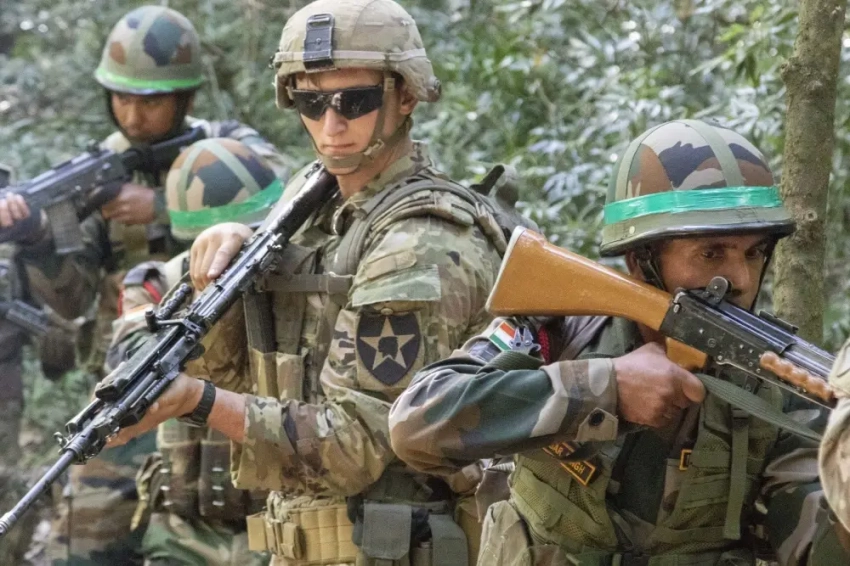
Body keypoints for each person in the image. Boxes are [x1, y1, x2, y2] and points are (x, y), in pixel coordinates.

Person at [107, 0, 518, 564]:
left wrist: (197, 402)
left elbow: (354, 446)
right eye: (311, 102)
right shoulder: (314, 206)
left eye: (356, 100)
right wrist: (224, 272)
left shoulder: (420, 243)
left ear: (406, 94)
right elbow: (244, 373)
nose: (331, 126)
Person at [388, 119, 850, 565]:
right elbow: (415, 425)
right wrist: (603, 388)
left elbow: (817, 543)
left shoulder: (775, 391)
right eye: (711, 253)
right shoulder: (558, 331)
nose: (741, 278)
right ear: (639, 260)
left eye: (754, 252)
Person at [0, 6, 292, 565]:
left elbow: (283, 212)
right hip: (129, 385)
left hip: (231, 386)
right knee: (79, 547)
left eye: (151, 101)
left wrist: (158, 207)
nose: (133, 116)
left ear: (184, 97)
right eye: (122, 98)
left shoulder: (229, 144)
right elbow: (72, 299)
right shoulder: (97, 171)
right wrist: (37, 237)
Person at [107, 137, 276, 566]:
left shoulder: (295, 281)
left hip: (282, 526)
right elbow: (130, 360)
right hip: (184, 532)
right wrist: (202, 297)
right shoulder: (157, 284)